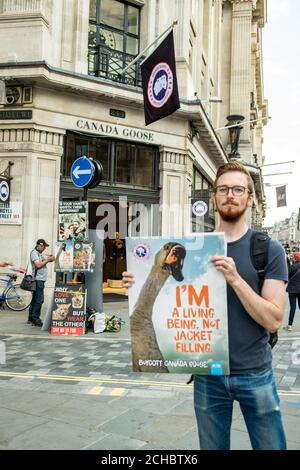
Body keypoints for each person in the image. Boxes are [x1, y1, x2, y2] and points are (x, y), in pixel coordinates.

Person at [122, 161, 288, 450]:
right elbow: (173, 291)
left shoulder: (266, 249)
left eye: (238, 189)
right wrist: (135, 282)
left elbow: (273, 320)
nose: (230, 195)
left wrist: (236, 279)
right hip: (208, 376)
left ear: (250, 198)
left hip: (255, 373)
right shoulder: (195, 244)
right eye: (223, 189)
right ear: (214, 197)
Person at [28, 239, 54, 327]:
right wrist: (47, 260)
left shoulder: (39, 254)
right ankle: (36, 319)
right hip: (38, 280)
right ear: (40, 245)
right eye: (44, 247)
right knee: (39, 300)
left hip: (40, 280)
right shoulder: (34, 253)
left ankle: (31, 318)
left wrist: (50, 258)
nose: (44, 249)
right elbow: (38, 265)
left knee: (35, 299)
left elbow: (48, 260)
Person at [283, 251, 300, 331]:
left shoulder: (292, 267)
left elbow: (287, 277)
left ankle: (290, 325)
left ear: (295, 258)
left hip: (292, 290)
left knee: (293, 308)